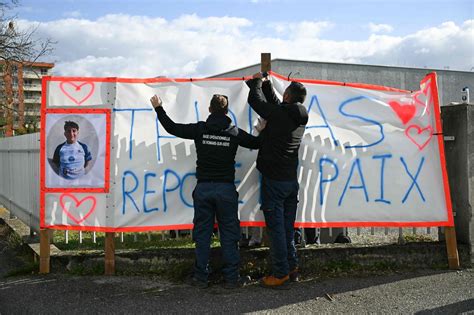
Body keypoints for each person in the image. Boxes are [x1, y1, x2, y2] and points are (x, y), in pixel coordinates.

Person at [150, 94, 262, 289]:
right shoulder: (233, 132)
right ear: (226, 112)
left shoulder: (200, 129)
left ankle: (200, 277)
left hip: (203, 189)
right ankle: (231, 279)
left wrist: (158, 108)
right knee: (229, 234)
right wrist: (265, 128)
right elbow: (256, 143)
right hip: (226, 190)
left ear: (210, 110)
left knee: (202, 235)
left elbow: (172, 128)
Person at [246, 73, 308, 289]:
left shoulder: (281, 114)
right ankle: (292, 267)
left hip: (274, 180)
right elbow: (276, 105)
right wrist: (267, 85)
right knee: (287, 228)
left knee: (277, 229)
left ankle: (280, 272)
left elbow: (256, 101)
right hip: (290, 181)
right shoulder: (297, 115)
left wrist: (254, 83)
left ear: (288, 96)